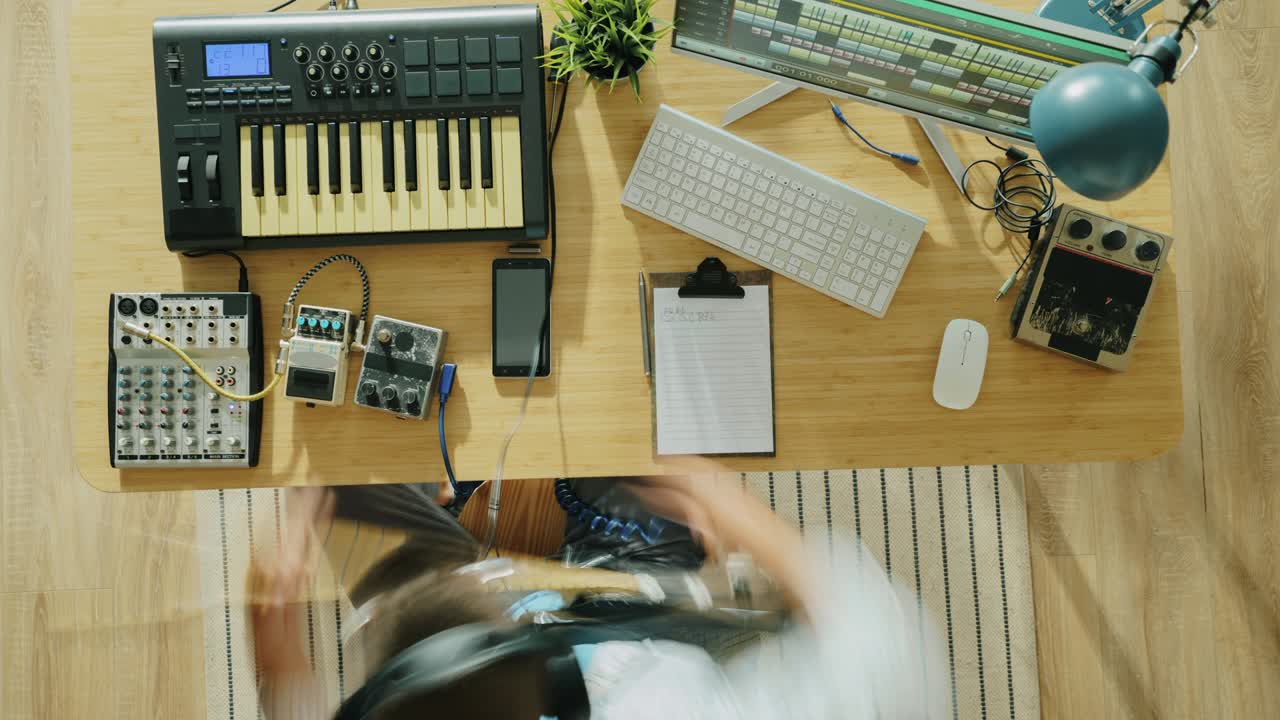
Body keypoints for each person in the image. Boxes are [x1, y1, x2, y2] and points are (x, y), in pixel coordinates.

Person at [248, 477, 945, 719]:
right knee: (639, 422)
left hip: (563, 665)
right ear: (541, 655)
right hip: (634, 637)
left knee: (337, 482)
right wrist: (711, 494)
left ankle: (449, 528)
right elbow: (883, 652)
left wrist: (277, 655)